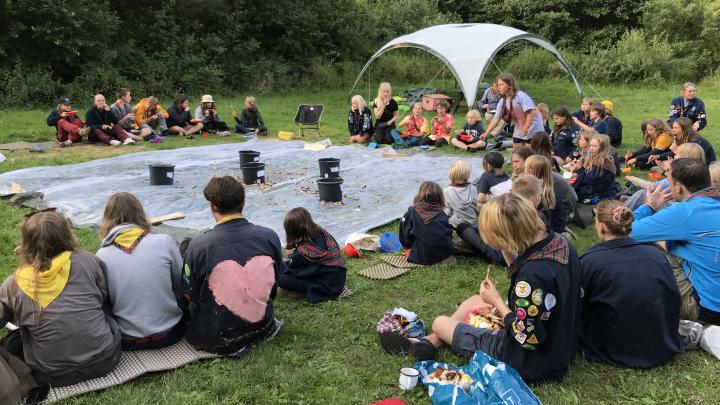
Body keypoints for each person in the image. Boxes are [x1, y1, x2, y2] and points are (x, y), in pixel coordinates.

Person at [387, 194, 581, 383]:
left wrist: (496, 301)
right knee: (474, 300)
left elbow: (528, 337)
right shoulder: (559, 243)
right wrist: (506, 247)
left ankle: (432, 339)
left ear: (505, 235)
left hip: (530, 361)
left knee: (439, 323)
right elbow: (532, 292)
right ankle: (430, 342)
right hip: (560, 343)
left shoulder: (533, 274)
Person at [0, 211, 121, 386]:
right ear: (66, 234)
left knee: (13, 342)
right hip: (105, 360)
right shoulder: (88, 261)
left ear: (26, 243)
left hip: (53, 375)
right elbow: (103, 295)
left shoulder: (15, 283)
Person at [182, 176, 284, 355]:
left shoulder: (198, 247)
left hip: (215, 338)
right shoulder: (269, 237)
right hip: (264, 326)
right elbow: (275, 282)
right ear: (243, 203)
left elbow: (189, 294)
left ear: (213, 206)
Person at [580, 200, 683, 368]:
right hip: (662, 342)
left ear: (601, 227)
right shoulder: (656, 255)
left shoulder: (590, 261)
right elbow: (672, 298)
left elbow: (580, 308)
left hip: (614, 347)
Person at [630, 159, 720, 325]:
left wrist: (649, 206)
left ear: (678, 187)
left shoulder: (686, 212)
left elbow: (626, 231)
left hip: (708, 310)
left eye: (669, 183)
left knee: (645, 252)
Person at [95, 192, 185, 350]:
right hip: (171, 333)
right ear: (140, 213)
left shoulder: (101, 255)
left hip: (128, 341)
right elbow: (179, 281)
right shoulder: (164, 242)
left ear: (107, 218)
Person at [277, 208, 346, 303]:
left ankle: (305, 293)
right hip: (338, 280)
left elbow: (292, 269)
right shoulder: (323, 233)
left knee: (280, 278)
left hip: (327, 289)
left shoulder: (305, 252)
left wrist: (278, 264)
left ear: (292, 231)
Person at [623, 142, 706, 211]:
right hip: (685, 208)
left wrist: (632, 178)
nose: (674, 156)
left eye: (676, 154)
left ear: (683, 159)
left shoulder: (677, 178)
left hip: (674, 209)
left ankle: (621, 212)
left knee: (643, 193)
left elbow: (651, 186)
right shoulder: (698, 175)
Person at [480, 73, 544, 148]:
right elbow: (496, 118)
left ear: (510, 86)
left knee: (529, 151)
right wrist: (486, 133)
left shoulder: (521, 96)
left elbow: (531, 112)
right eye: (498, 85)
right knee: (516, 149)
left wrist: (526, 128)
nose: (499, 87)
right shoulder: (503, 101)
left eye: (502, 85)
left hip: (532, 126)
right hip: (519, 126)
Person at [399, 181, 453, 265]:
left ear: (421, 194)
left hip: (422, 257)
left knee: (408, 247)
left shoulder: (412, 211)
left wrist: (407, 246)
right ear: (439, 196)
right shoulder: (441, 212)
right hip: (444, 253)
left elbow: (405, 236)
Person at [571, 133, 620, 201]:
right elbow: (585, 175)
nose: (591, 148)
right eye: (590, 145)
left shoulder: (603, 164)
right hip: (593, 187)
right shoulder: (595, 158)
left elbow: (587, 181)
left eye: (595, 146)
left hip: (596, 192)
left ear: (603, 148)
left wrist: (580, 171)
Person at [525, 155, 566, 233]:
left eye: (525, 169)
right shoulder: (549, 188)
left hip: (549, 232)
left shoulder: (538, 193)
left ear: (530, 171)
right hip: (557, 227)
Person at [443, 160, 478, 228]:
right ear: (466, 176)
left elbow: (448, 212)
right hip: (472, 221)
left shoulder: (447, 191)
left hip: (457, 224)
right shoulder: (473, 188)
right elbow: (476, 206)